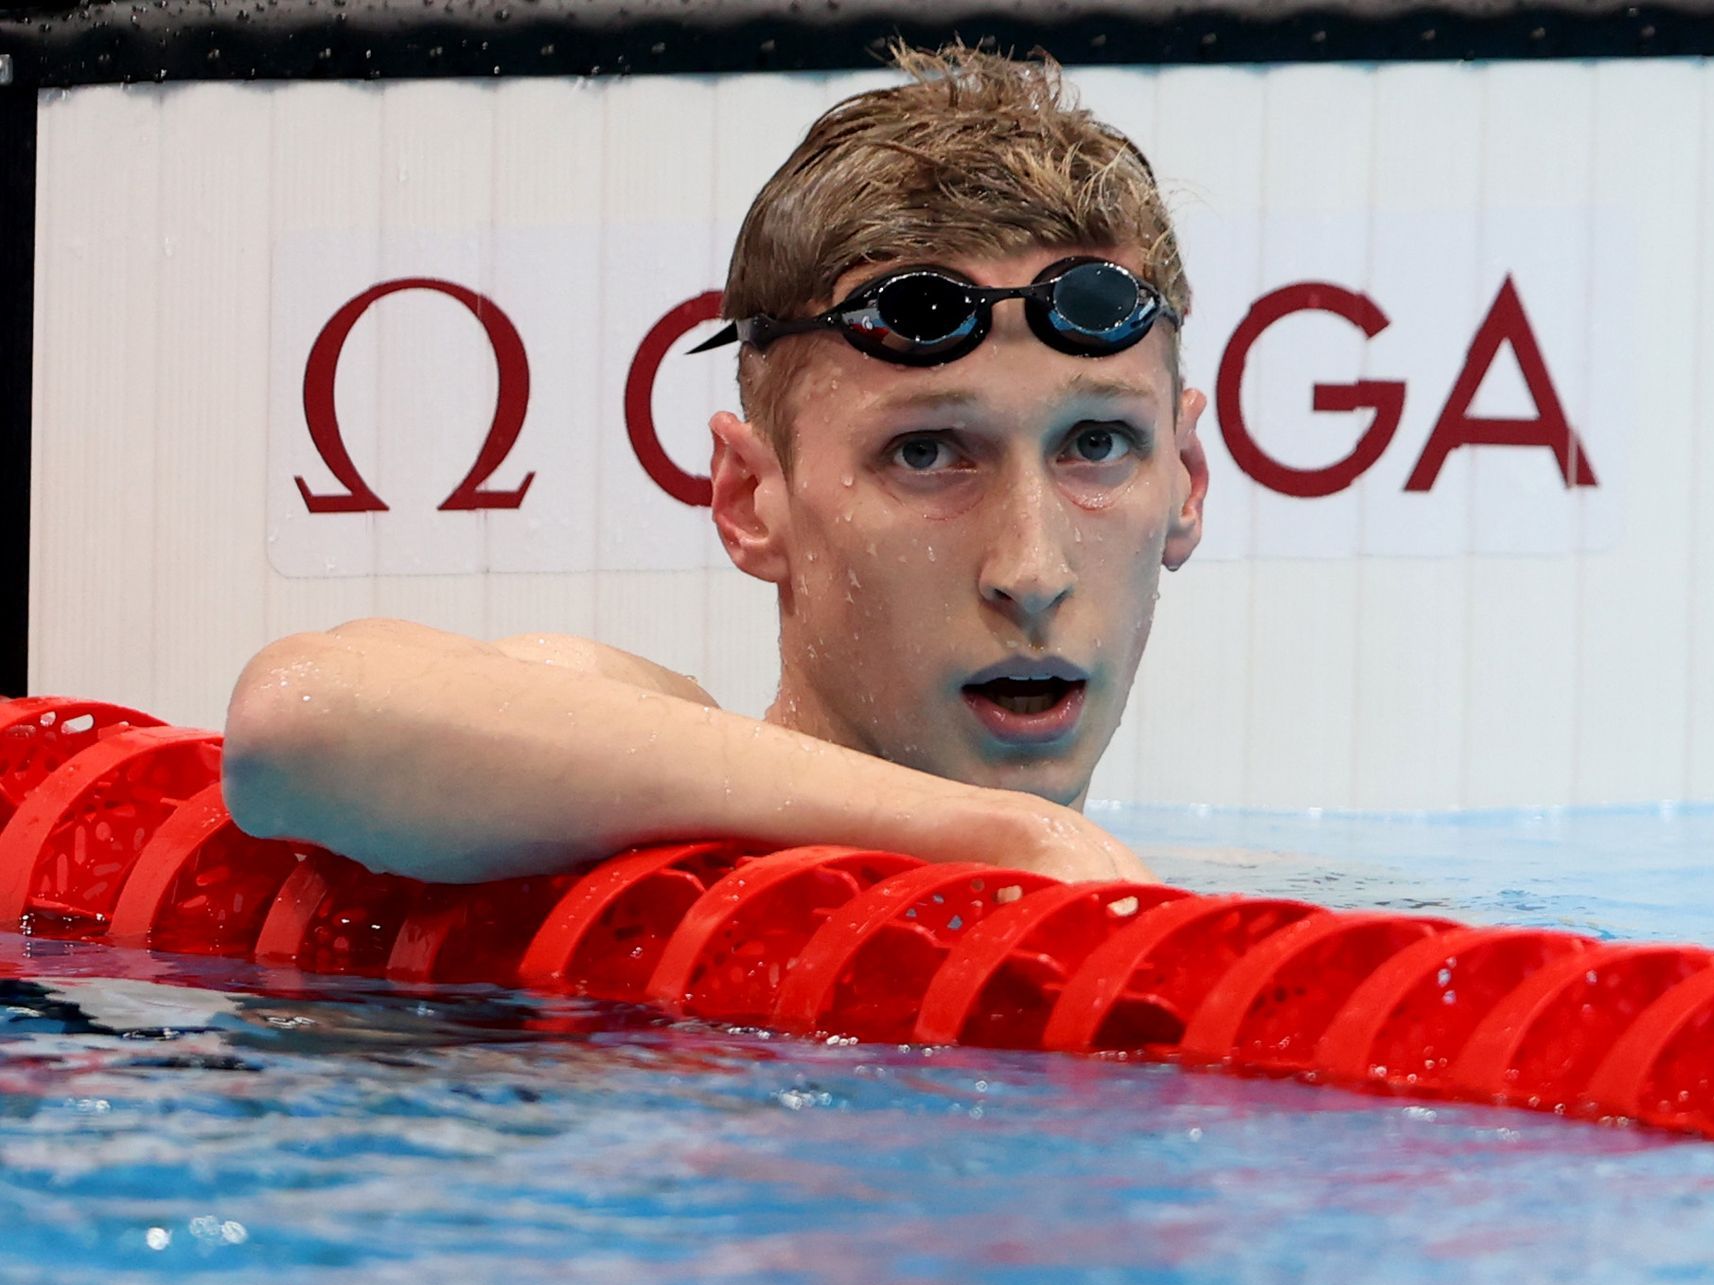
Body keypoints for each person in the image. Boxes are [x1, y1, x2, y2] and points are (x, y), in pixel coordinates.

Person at [222, 43, 1209, 886]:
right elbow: (294, 725)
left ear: (1185, 478)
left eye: (1095, 445)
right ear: (748, 500)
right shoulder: (620, 770)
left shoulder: (1207, 894)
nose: (1030, 571)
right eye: (925, 453)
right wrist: (1000, 835)